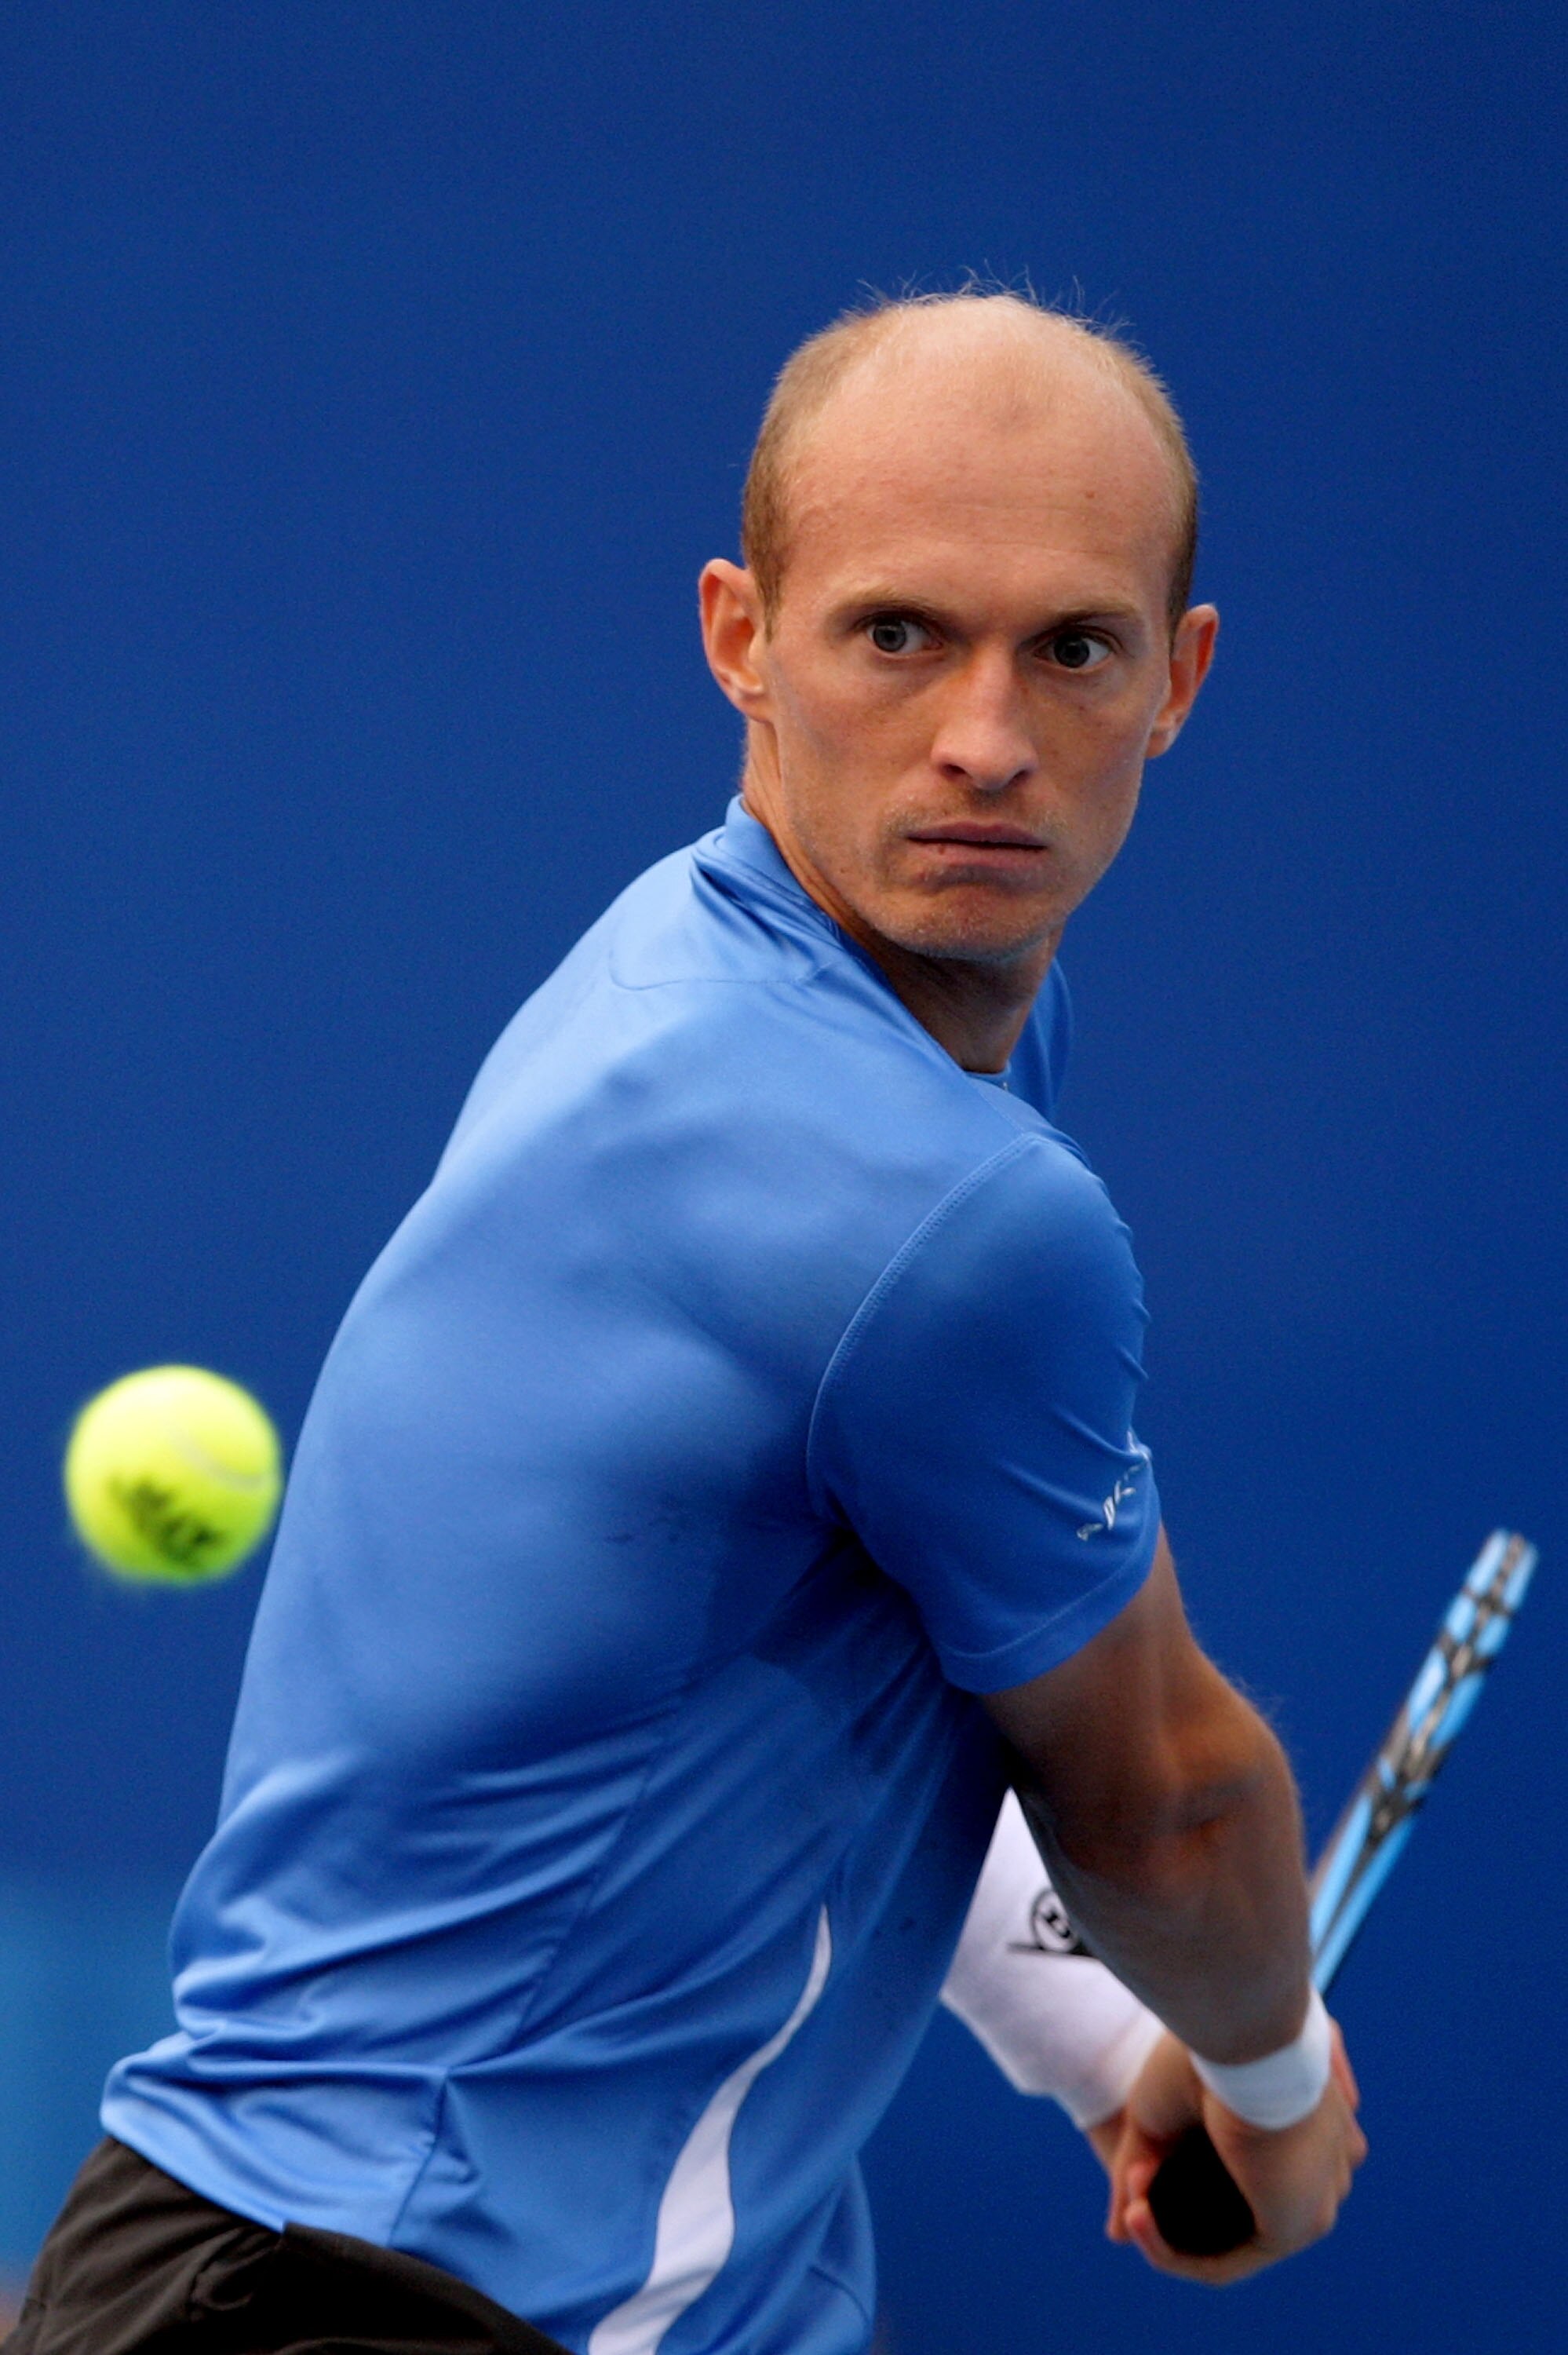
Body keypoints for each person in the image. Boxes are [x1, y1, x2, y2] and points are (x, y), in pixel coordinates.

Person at [9, 290, 1365, 2355]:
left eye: (1069, 647)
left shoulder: (723, 970)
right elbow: (1162, 1800)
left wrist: (1106, 2036)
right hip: (379, 2300)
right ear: (743, 635)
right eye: (900, 634)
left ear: (1176, 679)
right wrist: (1270, 2083)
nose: (985, 733)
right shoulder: (936, 1198)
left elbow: (896, 1670)